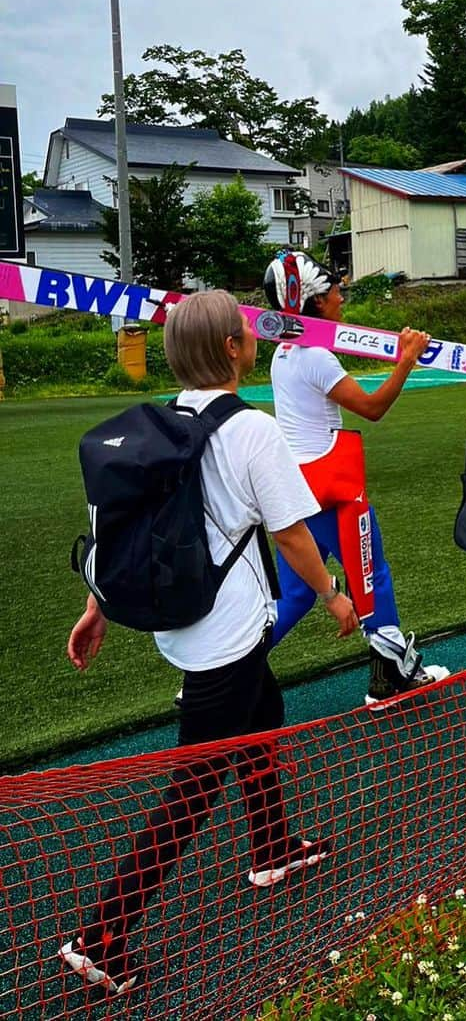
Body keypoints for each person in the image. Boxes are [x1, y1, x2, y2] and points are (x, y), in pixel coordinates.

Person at [59, 290, 360, 997]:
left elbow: (115, 532)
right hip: (224, 636)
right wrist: (333, 594)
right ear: (233, 348)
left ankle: (273, 849)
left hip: (194, 625)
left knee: (265, 717)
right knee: (192, 789)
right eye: (245, 333)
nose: (252, 339)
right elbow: (290, 533)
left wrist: (96, 607)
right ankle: (99, 933)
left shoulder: (155, 426)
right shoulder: (253, 430)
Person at [264, 250, 447, 703]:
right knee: (372, 576)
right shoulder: (315, 357)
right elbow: (372, 409)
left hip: (296, 486)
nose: (341, 297)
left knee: (295, 597)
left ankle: (219, 673)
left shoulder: (283, 352)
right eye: (334, 292)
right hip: (332, 489)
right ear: (316, 303)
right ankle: (392, 680)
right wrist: (407, 359)